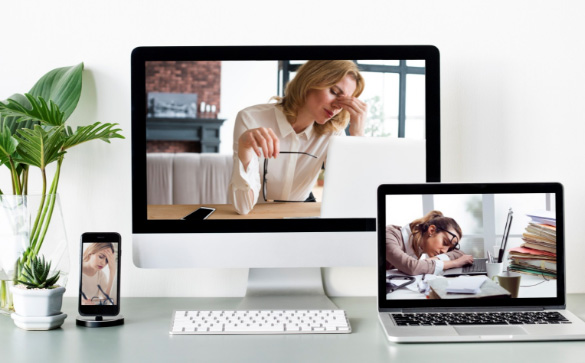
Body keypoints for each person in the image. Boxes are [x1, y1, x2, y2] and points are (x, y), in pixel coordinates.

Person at [229, 60, 367, 215]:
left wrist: (358, 136)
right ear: (310, 81)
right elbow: (242, 207)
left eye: (344, 101)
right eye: (334, 92)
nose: (337, 106)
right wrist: (245, 147)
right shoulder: (250, 119)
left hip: (303, 215)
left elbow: (350, 197)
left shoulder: (333, 133)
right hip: (259, 217)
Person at [386, 210, 474, 276]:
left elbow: (459, 253)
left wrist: (427, 262)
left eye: (449, 248)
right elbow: (412, 267)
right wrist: (454, 263)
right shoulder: (389, 235)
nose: (445, 251)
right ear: (431, 230)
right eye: (445, 242)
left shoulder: (419, 246)